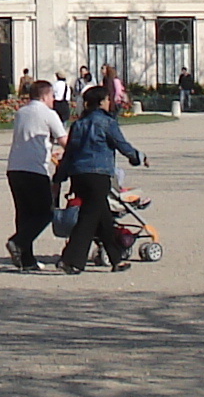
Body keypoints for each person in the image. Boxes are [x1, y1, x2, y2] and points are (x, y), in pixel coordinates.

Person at [54, 83, 147, 273]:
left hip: (78, 176)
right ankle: (71, 260)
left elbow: (69, 152)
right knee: (88, 219)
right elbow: (122, 144)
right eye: (106, 99)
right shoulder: (106, 122)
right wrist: (139, 157)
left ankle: (116, 258)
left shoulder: (78, 124)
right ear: (101, 102)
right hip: (98, 175)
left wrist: (59, 176)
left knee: (103, 217)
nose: (109, 102)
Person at [4, 78, 63, 270]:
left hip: (15, 167)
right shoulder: (49, 114)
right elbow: (65, 140)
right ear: (45, 95)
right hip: (35, 168)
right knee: (46, 212)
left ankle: (26, 259)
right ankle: (19, 242)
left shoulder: (21, 112)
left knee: (24, 214)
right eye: (52, 95)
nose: (54, 99)